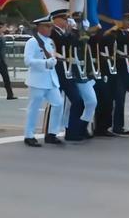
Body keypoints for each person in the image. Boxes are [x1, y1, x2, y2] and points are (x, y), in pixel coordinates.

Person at [23, 16, 64, 147]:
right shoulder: (32, 42)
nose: (50, 28)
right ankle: (29, 135)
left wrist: (53, 60)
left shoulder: (50, 41)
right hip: (37, 80)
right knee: (34, 108)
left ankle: (52, 133)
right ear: (39, 27)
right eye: (47, 26)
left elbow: (52, 56)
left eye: (51, 26)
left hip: (51, 79)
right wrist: (45, 63)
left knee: (58, 104)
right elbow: (28, 61)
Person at [49, 9, 85, 141]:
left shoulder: (65, 32)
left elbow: (76, 44)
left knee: (77, 101)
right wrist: (70, 33)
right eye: (64, 19)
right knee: (55, 103)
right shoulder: (52, 32)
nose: (66, 21)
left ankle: (72, 131)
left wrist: (74, 31)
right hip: (57, 70)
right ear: (56, 19)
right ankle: (50, 133)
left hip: (68, 71)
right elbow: (60, 44)